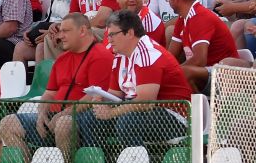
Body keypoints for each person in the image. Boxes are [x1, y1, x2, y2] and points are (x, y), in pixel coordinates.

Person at [75, 10, 193, 148]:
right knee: (89, 119)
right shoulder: (120, 55)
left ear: (130, 33)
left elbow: (146, 102)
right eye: (108, 34)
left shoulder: (148, 53)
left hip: (175, 116)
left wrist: (111, 112)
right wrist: (100, 100)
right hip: (143, 112)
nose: (109, 39)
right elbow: (115, 94)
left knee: (127, 122)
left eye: (113, 34)